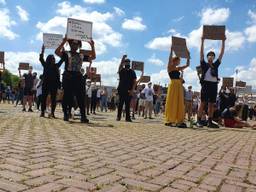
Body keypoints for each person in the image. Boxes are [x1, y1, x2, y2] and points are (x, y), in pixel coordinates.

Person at [55, 36, 96, 122]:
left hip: (78, 77)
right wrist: (64, 41)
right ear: (70, 45)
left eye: (77, 44)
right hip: (68, 76)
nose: (75, 46)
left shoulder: (81, 55)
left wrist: (92, 46)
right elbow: (56, 52)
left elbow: (93, 57)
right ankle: (66, 114)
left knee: (81, 97)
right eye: (73, 44)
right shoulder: (66, 54)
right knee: (66, 96)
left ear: (78, 46)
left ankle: (83, 116)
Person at [197, 34, 226, 128]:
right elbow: (201, 53)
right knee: (203, 102)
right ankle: (199, 120)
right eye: (209, 55)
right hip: (206, 85)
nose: (211, 56)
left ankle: (210, 121)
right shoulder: (204, 64)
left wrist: (223, 41)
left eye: (212, 56)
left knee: (211, 104)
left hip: (214, 85)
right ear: (207, 57)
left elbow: (221, 54)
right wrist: (202, 41)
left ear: (214, 58)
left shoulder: (216, 65)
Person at [165, 46, 190, 128]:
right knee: (172, 101)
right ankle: (170, 119)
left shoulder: (178, 68)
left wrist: (188, 57)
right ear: (175, 60)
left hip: (179, 86)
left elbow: (187, 65)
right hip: (173, 85)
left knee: (179, 102)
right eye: (178, 61)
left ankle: (179, 120)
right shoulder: (170, 67)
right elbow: (169, 60)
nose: (179, 62)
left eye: (179, 61)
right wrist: (171, 50)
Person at [39, 44, 63, 118]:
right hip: (46, 84)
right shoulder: (45, 65)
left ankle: (52, 113)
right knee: (43, 98)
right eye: (52, 58)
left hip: (54, 85)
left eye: (54, 58)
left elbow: (62, 60)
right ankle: (42, 112)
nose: (53, 59)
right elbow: (41, 59)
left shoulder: (56, 66)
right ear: (49, 59)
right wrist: (42, 51)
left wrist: (63, 52)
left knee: (53, 99)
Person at [116, 55, 137, 122]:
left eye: (128, 62)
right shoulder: (122, 70)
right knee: (120, 104)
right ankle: (118, 117)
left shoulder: (132, 72)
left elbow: (134, 82)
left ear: (129, 63)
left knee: (127, 105)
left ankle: (127, 118)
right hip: (121, 90)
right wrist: (122, 59)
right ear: (124, 63)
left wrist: (132, 90)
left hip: (129, 91)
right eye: (126, 62)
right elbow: (119, 67)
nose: (127, 63)